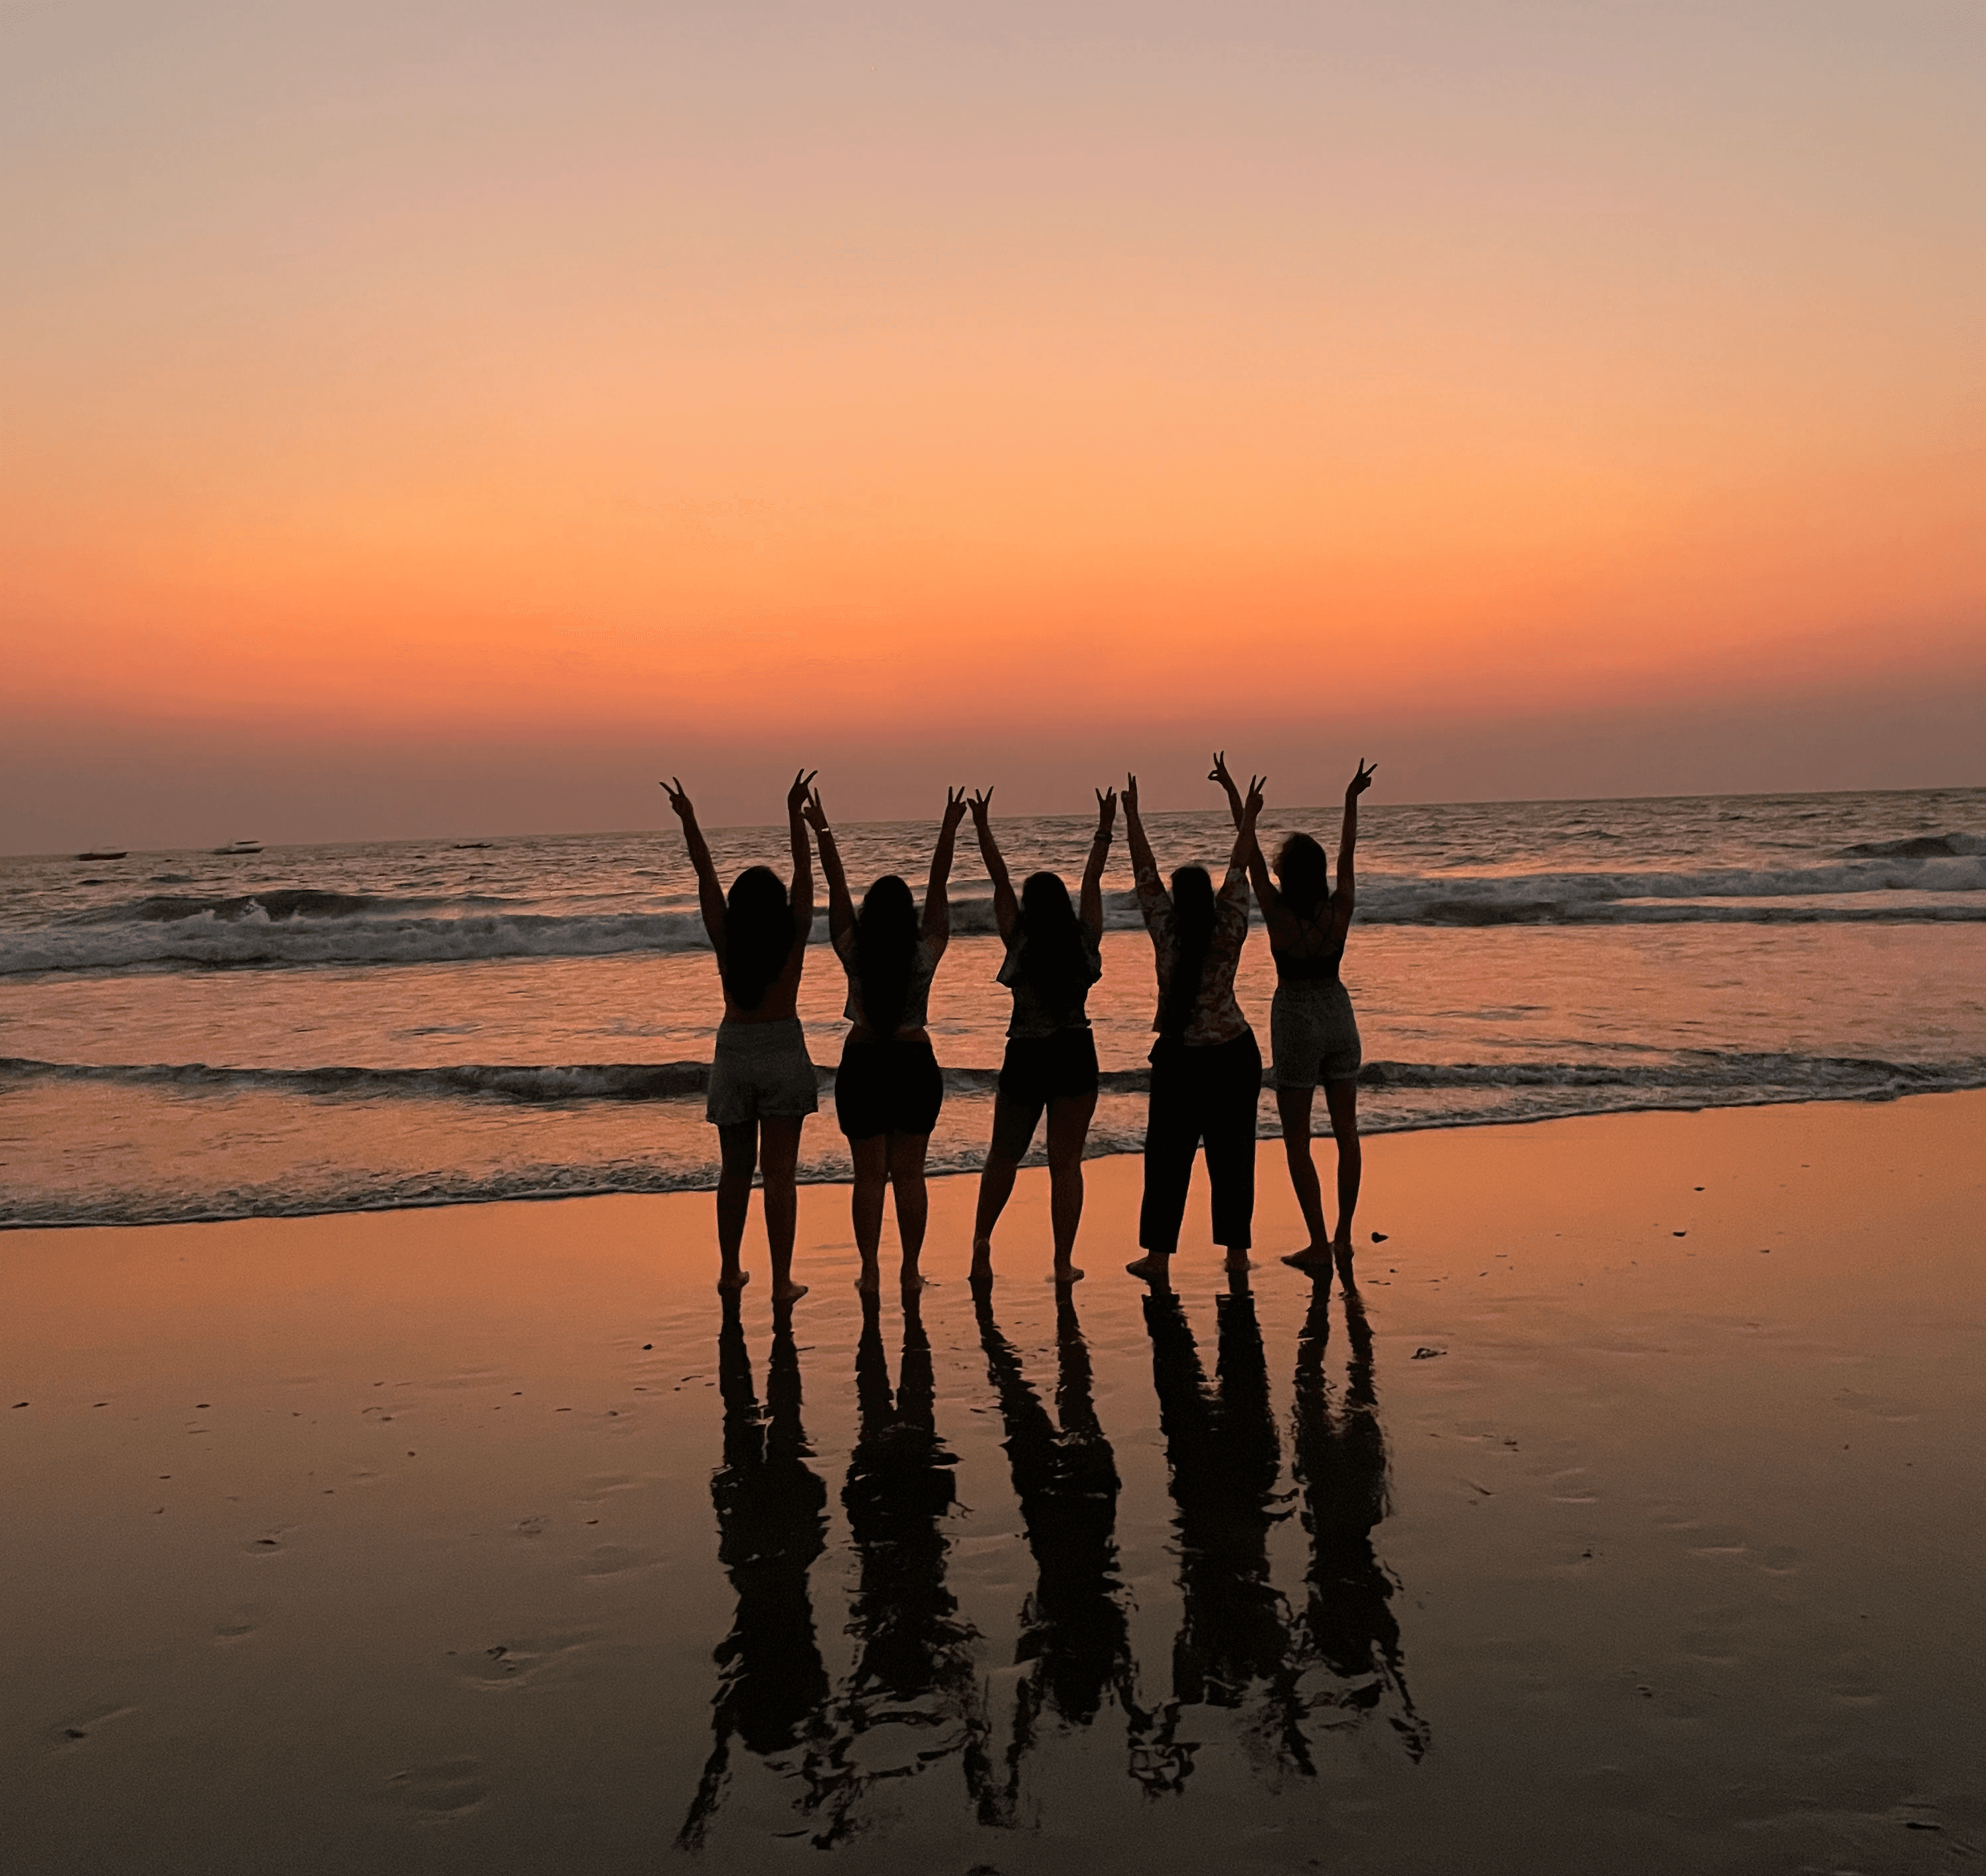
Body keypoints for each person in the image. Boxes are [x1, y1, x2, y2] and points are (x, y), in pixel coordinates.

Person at [1213, 753, 1375, 1268]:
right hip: (1338, 1009)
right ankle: (1345, 1235)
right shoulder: (1340, 906)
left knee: (1298, 1139)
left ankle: (1318, 1241)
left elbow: (1250, 859)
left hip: (1296, 1015)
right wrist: (1350, 800)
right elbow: (1348, 854)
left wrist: (1242, 806)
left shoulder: (1279, 913)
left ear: (1289, 874)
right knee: (1347, 1133)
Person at [662, 769, 818, 1301]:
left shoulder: (728, 937)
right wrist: (794, 814)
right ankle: (780, 1281)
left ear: (738, 905)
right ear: (776, 905)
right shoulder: (792, 932)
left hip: (734, 1051)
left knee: (734, 1173)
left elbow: (704, 875)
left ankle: (731, 1270)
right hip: (783, 1050)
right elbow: (805, 874)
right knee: (780, 1176)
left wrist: (690, 819)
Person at [806, 784, 967, 1293]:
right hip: (915, 1063)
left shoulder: (854, 946)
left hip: (864, 1063)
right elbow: (939, 886)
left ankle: (871, 1269)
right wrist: (949, 829)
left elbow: (836, 885)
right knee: (911, 1175)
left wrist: (821, 829)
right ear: (909, 915)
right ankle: (911, 1269)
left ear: (871, 913)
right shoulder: (924, 951)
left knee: (869, 1175)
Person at [966, 785, 1116, 1285]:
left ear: (1031, 906)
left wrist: (982, 825)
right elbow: (1093, 879)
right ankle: (1061, 1260)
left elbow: (999, 877)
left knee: (1003, 1155)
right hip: (1074, 1050)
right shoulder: (1081, 940)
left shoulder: (1021, 938)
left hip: (1026, 1053)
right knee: (1066, 1164)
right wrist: (1105, 825)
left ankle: (982, 1243)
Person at [1122, 767, 1264, 1283]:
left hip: (1182, 1057)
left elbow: (1145, 871)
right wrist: (1245, 811)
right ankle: (1236, 1254)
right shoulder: (1229, 924)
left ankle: (1159, 1257)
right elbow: (1240, 862)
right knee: (1233, 1155)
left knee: (1167, 1157)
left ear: (1178, 902)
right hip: (1233, 1051)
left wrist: (1131, 815)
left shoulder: (1168, 931)